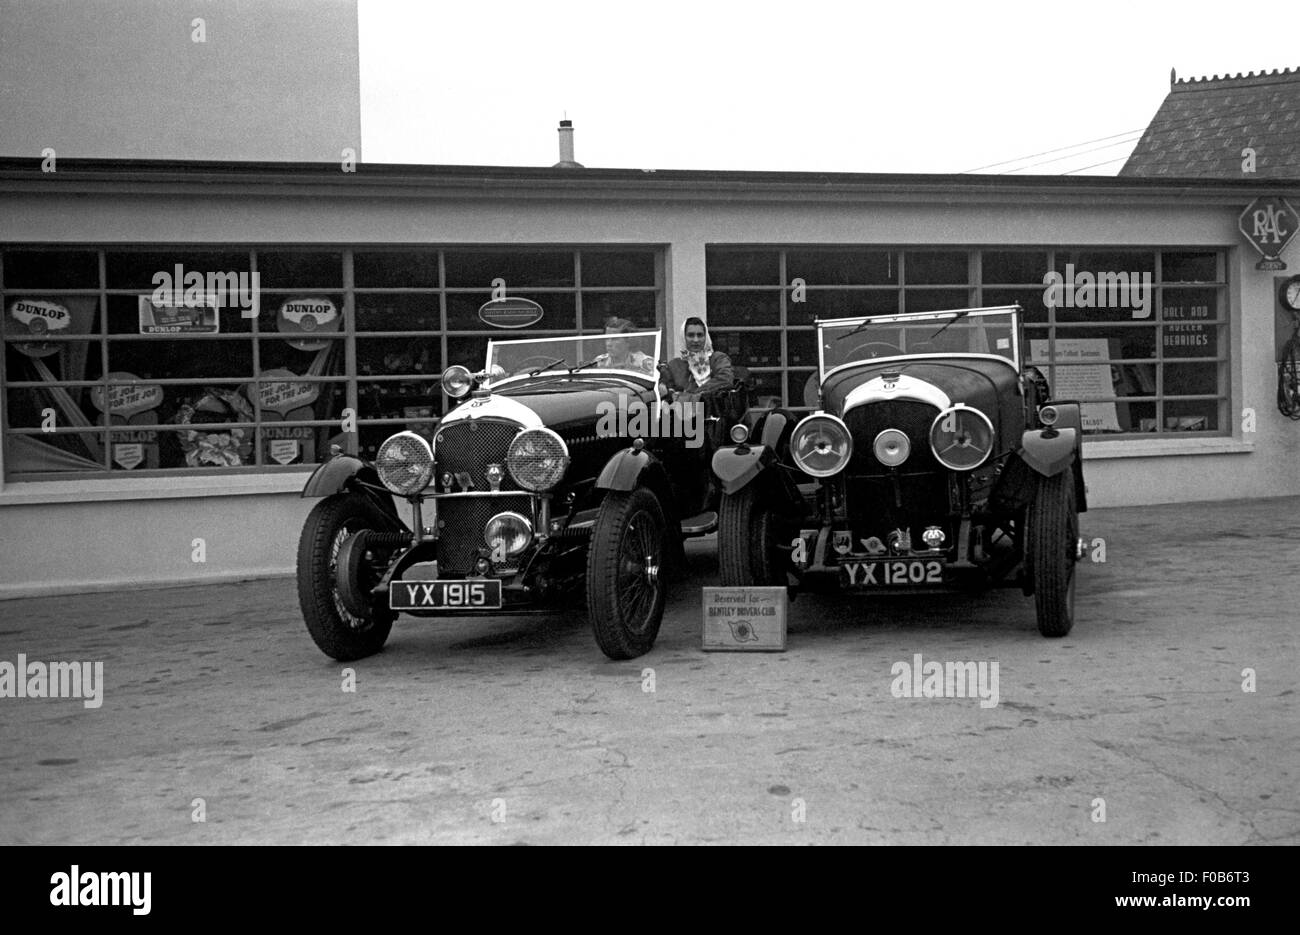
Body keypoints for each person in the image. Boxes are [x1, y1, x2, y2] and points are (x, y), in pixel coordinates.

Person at [659, 317, 734, 402]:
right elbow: (668, 392)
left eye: (700, 335)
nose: (696, 340)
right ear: (683, 337)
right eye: (691, 335)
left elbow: (725, 379)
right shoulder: (674, 365)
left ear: (706, 337)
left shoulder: (718, 358)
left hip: (714, 411)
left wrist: (694, 395)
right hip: (684, 413)